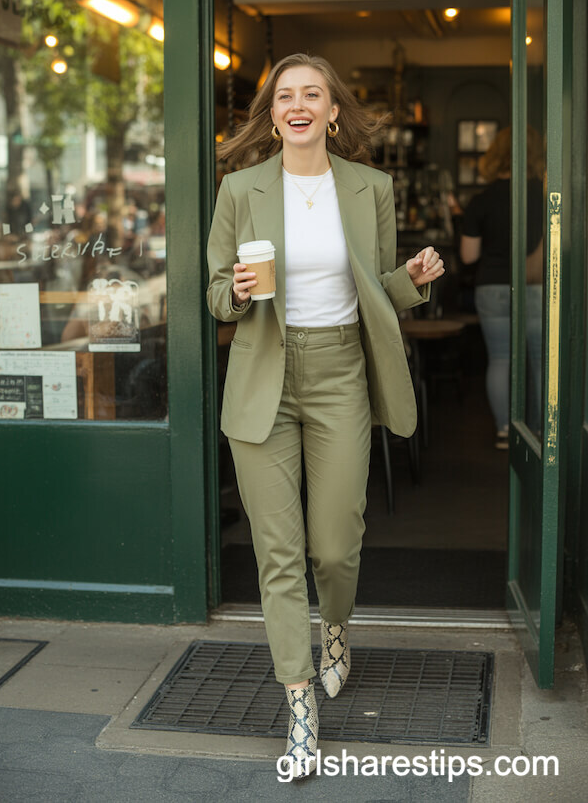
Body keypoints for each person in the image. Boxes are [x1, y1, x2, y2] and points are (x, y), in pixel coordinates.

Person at [206, 53, 444, 779]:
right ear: (273, 114)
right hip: (263, 378)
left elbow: (376, 291)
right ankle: (300, 704)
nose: (299, 105)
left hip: (341, 372)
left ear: (334, 112)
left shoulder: (372, 187)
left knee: (335, 547)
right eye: (286, 96)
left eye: (313, 94)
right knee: (277, 553)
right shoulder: (240, 188)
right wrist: (236, 291)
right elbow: (215, 295)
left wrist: (413, 281)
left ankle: (336, 626)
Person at [460, 127, 543, 447]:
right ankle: (539, 431)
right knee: (539, 360)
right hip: (534, 285)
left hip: (492, 286)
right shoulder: (545, 195)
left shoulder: (481, 200)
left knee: (499, 359)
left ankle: (505, 430)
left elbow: (469, 256)